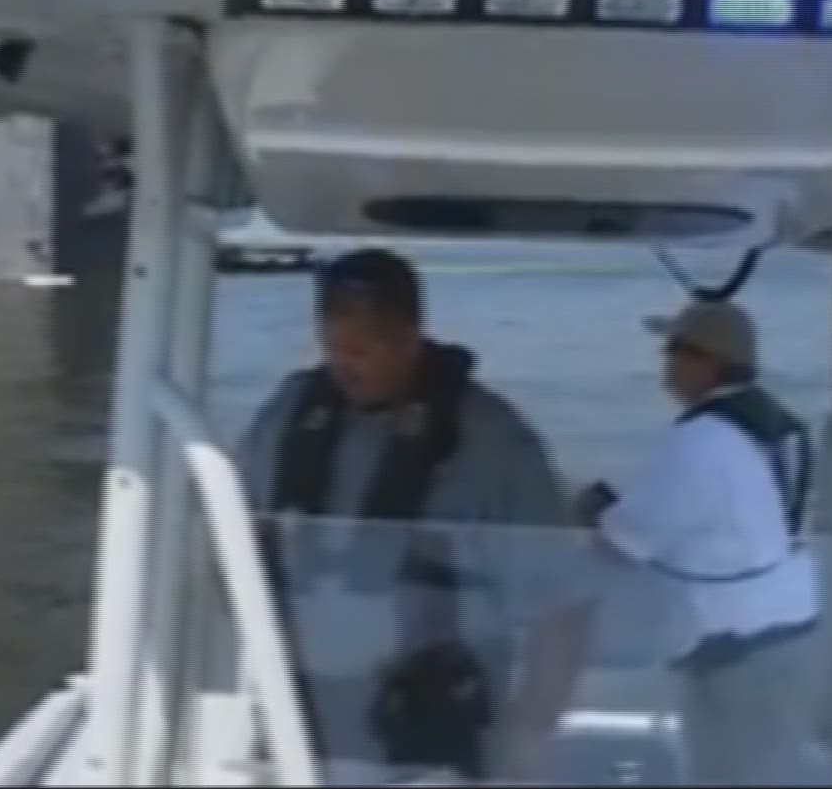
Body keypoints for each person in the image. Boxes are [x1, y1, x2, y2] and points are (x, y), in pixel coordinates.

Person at [237, 247, 590, 783]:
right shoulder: (291, 412)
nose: (342, 366)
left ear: (410, 338)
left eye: (362, 349)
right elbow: (224, 532)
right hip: (301, 735)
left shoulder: (493, 440)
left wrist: (531, 729)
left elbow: (564, 605)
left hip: (432, 747)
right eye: (333, 346)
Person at [572, 298, 821, 787]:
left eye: (675, 350)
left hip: (734, 642)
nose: (665, 362)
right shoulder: (782, 427)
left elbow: (625, 542)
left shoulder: (703, 440)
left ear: (708, 362)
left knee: (724, 774)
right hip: (789, 623)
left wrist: (590, 509)